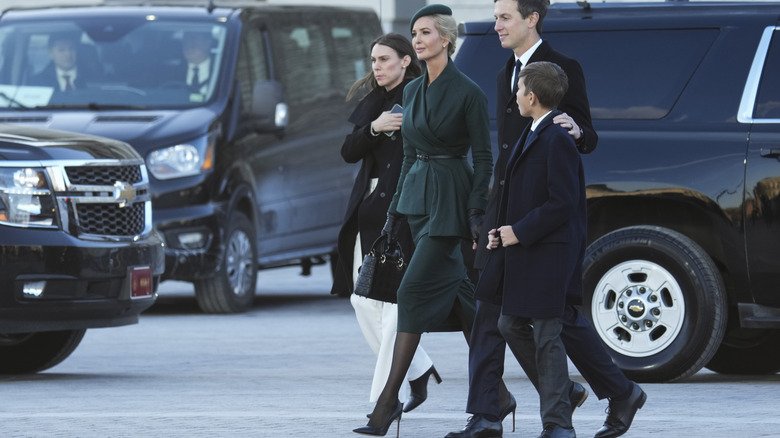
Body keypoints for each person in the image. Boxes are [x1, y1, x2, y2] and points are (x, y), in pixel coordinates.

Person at [448, 1, 646, 437]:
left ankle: (615, 391)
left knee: (556, 318)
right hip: (506, 210)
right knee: (490, 311)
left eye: (504, 17)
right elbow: (504, 153)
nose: (496, 25)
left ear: (531, 18)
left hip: (540, 217)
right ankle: (486, 414)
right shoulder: (506, 74)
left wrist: (576, 132)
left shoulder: (561, 68)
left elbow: (586, 135)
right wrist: (485, 212)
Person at [352, 4, 495, 436]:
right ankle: (504, 397)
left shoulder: (469, 91)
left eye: (426, 32)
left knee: (411, 292)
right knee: (470, 303)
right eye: (414, 32)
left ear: (445, 40)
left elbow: (484, 158)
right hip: (415, 200)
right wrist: (394, 212)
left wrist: (475, 211)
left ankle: (387, 403)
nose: (417, 39)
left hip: (451, 196)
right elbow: (410, 153)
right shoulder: (412, 93)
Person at [332, 33, 442, 415]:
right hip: (369, 210)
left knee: (393, 306)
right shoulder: (374, 104)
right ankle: (420, 368)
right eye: (374, 60)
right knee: (362, 300)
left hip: (405, 209)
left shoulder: (420, 94)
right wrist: (375, 127)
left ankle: (384, 400)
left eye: (384, 59)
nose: (377, 67)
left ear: (405, 61)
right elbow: (348, 152)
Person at [493, 60, 584, 438]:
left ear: (531, 96)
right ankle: (563, 391)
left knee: (547, 335)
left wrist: (520, 232)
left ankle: (558, 424)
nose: (514, 96)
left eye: (519, 90)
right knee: (509, 323)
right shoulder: (533, 131)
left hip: (550, 252)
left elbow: (563, 203)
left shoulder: (557, 138)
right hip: (526, 248)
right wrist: (500, 231)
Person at [30, 33, 96, 91]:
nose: (68, 54)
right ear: (51, 53)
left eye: (71, 49)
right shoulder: (37, 82)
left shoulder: (93, 77)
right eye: (61, 50)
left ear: (77, 51)